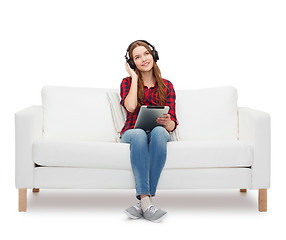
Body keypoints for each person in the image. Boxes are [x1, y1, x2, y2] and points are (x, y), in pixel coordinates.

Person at [120, 40, 179, 223]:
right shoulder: (127, 82)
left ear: (153, 55)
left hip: (156, 134)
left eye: (146, 54)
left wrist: (167, 122)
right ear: (132, 63)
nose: (144, 59)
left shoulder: (167, 85)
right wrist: (135, 78)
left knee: (160, 133)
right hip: (132, 133)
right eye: (137, 57)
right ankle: (147, 201)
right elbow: (130, 107)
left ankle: (143, 203)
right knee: (138, 134)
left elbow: (173, 124)